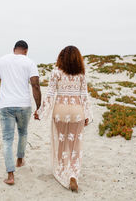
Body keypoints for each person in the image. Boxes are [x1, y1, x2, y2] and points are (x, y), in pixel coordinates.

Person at [34, 45, 92, 192]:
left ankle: (61, 171)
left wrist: (40, 112)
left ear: (61, 58)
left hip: (60, 110)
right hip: (77, 111)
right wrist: (87, 114)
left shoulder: (56, 72)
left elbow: (50, 94)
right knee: (75, 145)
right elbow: (84, 95)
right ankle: (73, 174)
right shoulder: (81, 74)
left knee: (60, 142)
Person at [0, 40, 41, 185]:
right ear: (26, 51)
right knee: (23, 132)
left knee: (7, 139)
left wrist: (0, 92)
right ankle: (20, 160)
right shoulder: (29, 62)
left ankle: (11, 175)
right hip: (24, 105)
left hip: (6, 106)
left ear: (14, 49)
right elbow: (35, 85)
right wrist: (39, 106)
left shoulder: (1, 61)